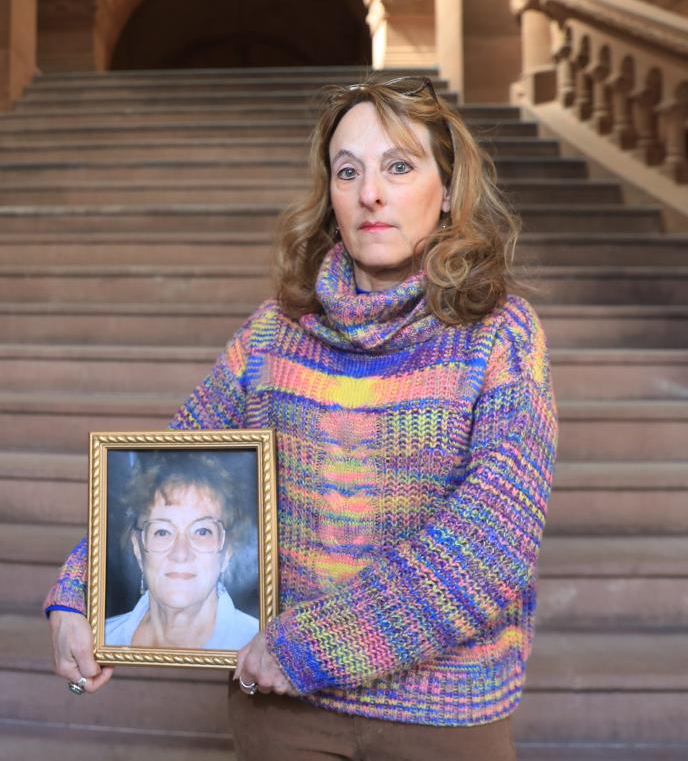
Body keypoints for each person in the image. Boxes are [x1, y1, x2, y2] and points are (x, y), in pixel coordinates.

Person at [46, 75, 558, 761]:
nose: (370, 192)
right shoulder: (272, 334)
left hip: (447, 711)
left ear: (449, 190)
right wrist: (81, 592)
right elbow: (172, 465)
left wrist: (316, 647)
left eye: (398, 166)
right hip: (286, 714)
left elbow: (496, 536)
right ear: (331, 200)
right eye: (348, 172)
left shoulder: (501, 334)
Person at [103, 452, 259, 650]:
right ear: (137, 547)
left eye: (202, 532)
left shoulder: (257, 647)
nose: (180, 553)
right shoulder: (105, 640)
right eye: (162, 532)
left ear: (226, 551)